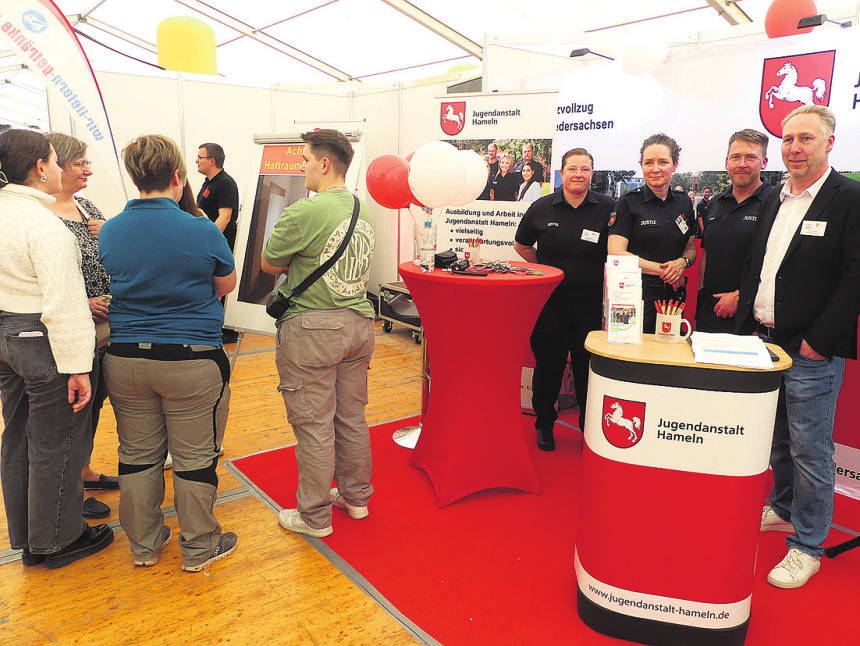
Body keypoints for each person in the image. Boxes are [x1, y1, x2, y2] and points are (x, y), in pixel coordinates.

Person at [100, 134, 238, 571]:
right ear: (177, 177)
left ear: (134, 177)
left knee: (137, 457)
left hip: (125, 359)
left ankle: (144, 545)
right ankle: (199, 548)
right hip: (191, 359)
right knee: (195, 459)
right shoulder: (201, 229)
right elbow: (226, 285)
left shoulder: (110, 229)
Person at [736, 105, 860, 589]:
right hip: (765, 341)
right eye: (788, 139)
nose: (795, 148)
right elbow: (760, 263)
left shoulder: (849, 198)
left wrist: (817, 342)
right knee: (778, 439)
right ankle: (784, 507)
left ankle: (808, 545)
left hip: (811, 350)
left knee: (811, 450)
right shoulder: (775, 196)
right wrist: (750, 324)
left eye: (805, 138)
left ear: (829, 143)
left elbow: (855, 278)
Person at [0, 129, 114, 569]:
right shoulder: (45, 225)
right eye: (55, 159)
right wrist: (79, 367)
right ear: (40, 167)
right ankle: (60, 541)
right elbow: (64, 304)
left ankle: (30, 539)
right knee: (57, 443)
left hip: (7, 336)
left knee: (17, 438)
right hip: (43, 340)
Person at [261, 129, 376, 537]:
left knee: (314, 425)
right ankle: (357, 498)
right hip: (358, 325)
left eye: (306, 160)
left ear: (324, 164)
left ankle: (314, 516)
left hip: (313, 329)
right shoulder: (364, 209)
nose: (302, 167)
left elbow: (269, 263)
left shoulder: (304, 211)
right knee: (352, 418)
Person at [514, 148, 614, 451]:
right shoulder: (542, 207)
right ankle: (544, 425)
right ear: (562, 172)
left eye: (585, 169)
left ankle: (589, 432)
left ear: (592, 173)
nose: (578, 175)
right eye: (572, 169)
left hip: (590, 306)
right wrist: (547, 272)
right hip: (551, 305)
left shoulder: (608, 208)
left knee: (587, 372)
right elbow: (521, 246)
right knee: (548, 368)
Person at [45, 132, 116, 522]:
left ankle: (84, 472)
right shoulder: (42, 213)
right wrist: (81, 303)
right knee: (71, 411)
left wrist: (109, 231)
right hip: (70, 326)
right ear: (57, 165)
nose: (88, 169)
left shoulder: (85, 205)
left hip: (102, 329)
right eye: (80, 163)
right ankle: (71, 489)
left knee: (95, 402)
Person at [607, 133, 696, 334]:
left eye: (663, 162)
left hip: (672, 297)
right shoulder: (628, 202)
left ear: (674, 165)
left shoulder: (683, 202)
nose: (655, 169)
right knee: (629, 350)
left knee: (668, 350)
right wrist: (666, 271)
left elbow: (690, 249)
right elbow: (616, 253)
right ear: (642, 165)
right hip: (630, 295)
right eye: (648, 163)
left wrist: (682, 263)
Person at [696, 129, 773, 333]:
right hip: (710, 314)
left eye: (751, 157)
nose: (742, 164)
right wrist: (702, 294)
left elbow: (779, 266)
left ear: (764, 162)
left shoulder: (776, 203)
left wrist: (742, 296)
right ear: (726, 162)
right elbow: (707, 254)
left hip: (752, 319)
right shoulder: (714, 203)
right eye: (736, 157)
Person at [196, 142, 240, 344]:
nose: (196, 160)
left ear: (212, 161)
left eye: (200, 157)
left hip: (219, 243)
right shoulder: (208, 183)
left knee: (219, 286)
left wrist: (207, 240)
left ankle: (219, 330)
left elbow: (225, 217)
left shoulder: (225, 183)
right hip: (208, 242)